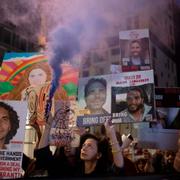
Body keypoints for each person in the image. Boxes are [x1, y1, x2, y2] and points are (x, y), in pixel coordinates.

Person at [33, 114, 124, 178]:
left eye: (89, 146)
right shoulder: (72, 170)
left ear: (98, 155)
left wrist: (112, 135)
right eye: (84, 145)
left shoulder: (103, 172)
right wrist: (48, 127)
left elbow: (118, 168)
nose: (84, 148)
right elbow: (42, 156)